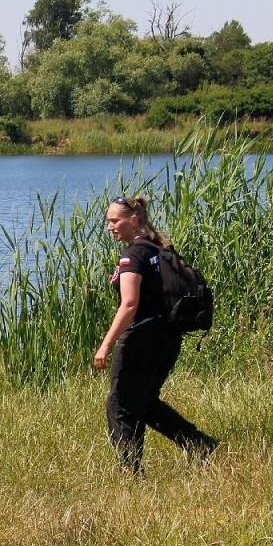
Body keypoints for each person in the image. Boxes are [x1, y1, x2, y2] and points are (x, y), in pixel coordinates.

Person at [95, 194, 217, 472]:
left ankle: (130, 471)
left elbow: (129, 304)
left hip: (141, 340)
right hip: (167, 339)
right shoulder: (158, 249)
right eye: (108, 221)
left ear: (134, 219)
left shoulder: (133, 255)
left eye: (115, 221)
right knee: (144, 402)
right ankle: (200, 445)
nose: (110, 227)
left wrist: (105, 345)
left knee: (120, 405)